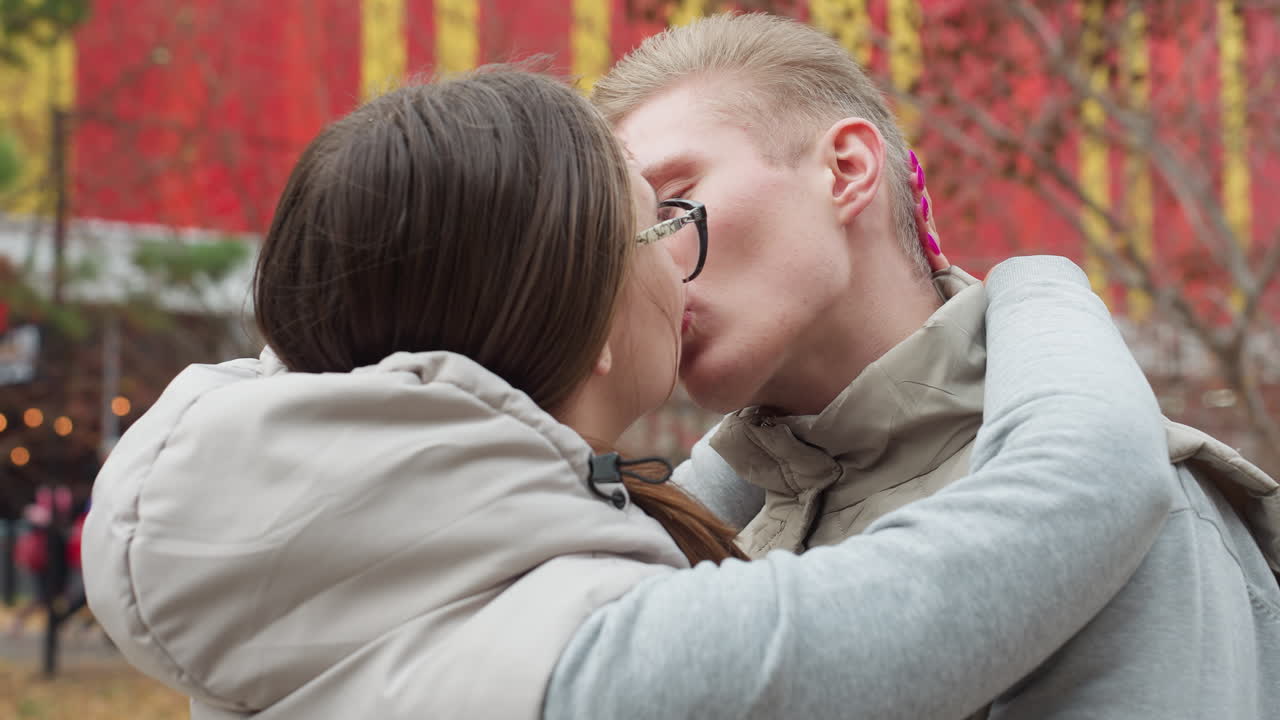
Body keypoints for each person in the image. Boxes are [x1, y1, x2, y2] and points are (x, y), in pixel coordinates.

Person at [83, 70, 1175, 719]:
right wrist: (1041, 280)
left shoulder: (316, 554)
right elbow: (1071, 495)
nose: (677, 257)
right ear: (597, 324)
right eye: (650, 223)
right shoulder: (603, 663)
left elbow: (650, 502)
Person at [593, 12, 1280, 717]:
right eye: (627, 245)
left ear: (847, 170)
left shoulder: (1127, 513)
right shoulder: (700, 530)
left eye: (673, 207)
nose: (648, 271)